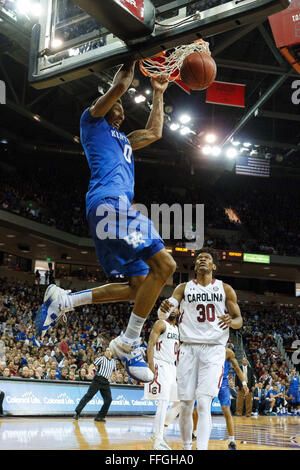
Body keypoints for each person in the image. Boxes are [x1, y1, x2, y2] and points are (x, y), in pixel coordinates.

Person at [35, 62, 176, 383]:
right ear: (104, 103)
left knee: (139, 288)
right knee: (165, 266)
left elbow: (155, 132)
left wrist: (158, 92)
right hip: (109, 205)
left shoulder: (123, 139)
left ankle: (66, 300)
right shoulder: (92, 122)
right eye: (119, 106)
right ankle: (129, 342)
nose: (123, 112)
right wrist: (134, 53)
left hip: (111, 209)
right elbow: (122, 83)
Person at [158, 247, 243, 450]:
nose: (202, 260)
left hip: (214, 349)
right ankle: (187, 448)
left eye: (206, 258)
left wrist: (231, 320)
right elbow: (168, 308)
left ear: (213, 266)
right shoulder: (183, 288)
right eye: (198, 258)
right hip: (187, 348)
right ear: (195, 266)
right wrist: (166, 308)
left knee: (204, 403)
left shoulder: (225, 289)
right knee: (186, 405)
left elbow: (239, 320)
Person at [192, 347, 249, 450]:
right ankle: (194, 432)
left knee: (226, 409)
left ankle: (232, 440)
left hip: (222, 383)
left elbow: (236, 368)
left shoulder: (228, 352)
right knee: (197, 410)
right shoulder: (206, 348)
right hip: (207, 381)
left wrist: (244, 383)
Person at [143, 307, 180, 450]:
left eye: (175, 308)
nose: (174, 310)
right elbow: (151, 343)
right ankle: (158, 440)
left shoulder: (176, 328)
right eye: (171, 308)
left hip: (172, 367)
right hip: (161, 364)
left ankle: (160, 432)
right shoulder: (161, 323)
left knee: (180, 401)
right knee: (163, 402)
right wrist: (150, 364)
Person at [74, 348, 116, 422]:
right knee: (88, 396)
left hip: (106, 382)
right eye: (107, 350)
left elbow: (114, 371)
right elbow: (91, 366)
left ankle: (100, 416)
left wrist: (116, 376)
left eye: (110, 351)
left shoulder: (113, 362)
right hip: (98, 379)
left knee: (108, 400)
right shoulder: (101, 359)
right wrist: (90, 373)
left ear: (112, 353)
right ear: (105, 352)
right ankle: (77, 412)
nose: (108, 352)